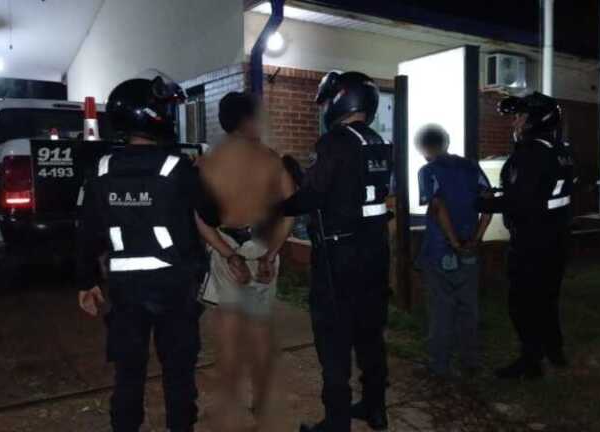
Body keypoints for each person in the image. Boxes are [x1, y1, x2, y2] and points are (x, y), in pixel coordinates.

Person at [76, 75, 213, 432]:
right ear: (154, 116)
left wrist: (87, 282)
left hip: (125, 290)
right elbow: (212, 215)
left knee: (128, 376)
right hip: (174, 287)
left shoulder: (101, 170)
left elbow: (87, 231)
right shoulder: (178, 167)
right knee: (178, 376)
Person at [280, 71, 393, 432]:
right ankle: (375, 408)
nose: (325, 107)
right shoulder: (377, 142)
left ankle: (336, 421)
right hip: (374, 254)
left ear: (341, 100)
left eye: (328, 100)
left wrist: (277, 206)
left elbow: (312, 196)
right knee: (370, 335)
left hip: (339, 258)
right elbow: (348, 190)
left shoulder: (334, 142)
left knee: (333, 341)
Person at [194, 91, 295, 430]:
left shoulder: (209, 162)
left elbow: (200, 218)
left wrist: (228, 255)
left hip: (226, 247)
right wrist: (271, 253)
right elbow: (290, 212)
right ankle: (262, 403)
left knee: (228, 333)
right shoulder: (271, 160)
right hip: (262, 248)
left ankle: (230, 408)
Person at [478, 92, 576, 379]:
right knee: (548, 298)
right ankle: (554, 350)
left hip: (532, 240)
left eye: (520, 116)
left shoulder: (529, 154)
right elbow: (541, 191)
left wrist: (480, 203)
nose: (515, 122)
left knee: (522, 304)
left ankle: (530, 361)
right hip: (557, 238)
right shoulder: (561, 151)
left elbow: (519, 201)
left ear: (536, 119)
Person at [415, 124, 492, 379]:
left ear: (423, 148)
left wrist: (454, 242)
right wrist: (475, 239)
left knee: (441, 309)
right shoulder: (471, 167)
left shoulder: (428, 171)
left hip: (440, 250)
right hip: (470, 249)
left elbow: (437, 207)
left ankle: (439, 365)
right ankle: (470, 361)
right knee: (468, 307)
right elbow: (488, 202)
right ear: (446, 142)